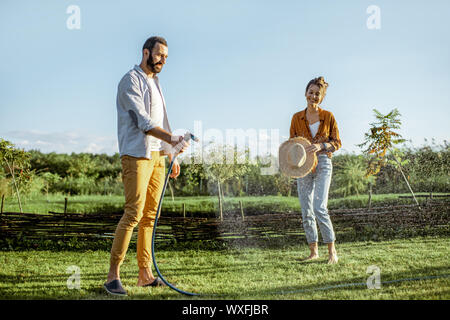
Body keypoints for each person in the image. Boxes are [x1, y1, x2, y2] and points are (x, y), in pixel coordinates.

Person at [104, 36, 189, 296]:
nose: (163, 59)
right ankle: (112, 277)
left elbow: (162, 119)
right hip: (136, 155)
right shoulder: (130, 80)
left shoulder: (156, 83)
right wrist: (173, 139)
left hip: (157, 157)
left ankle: (145, 274)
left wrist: (170, 151)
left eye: (166, 56)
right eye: (159, 54)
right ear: (146, 53)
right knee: (133, 214)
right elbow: (142, 121)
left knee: (151, 216)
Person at [289, 76, 342, 264]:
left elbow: (337, 143)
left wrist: (321, 147)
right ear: (305, 94)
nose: (313, 96)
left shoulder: (328, 116)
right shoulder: (296, 118)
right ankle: (313, 252)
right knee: (306, 210)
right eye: (310, 92)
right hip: (303, 166)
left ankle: (332, 252)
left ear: (322, 97)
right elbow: (292, 144)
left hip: (323, 163)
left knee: (320, 207)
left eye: (317, 94)